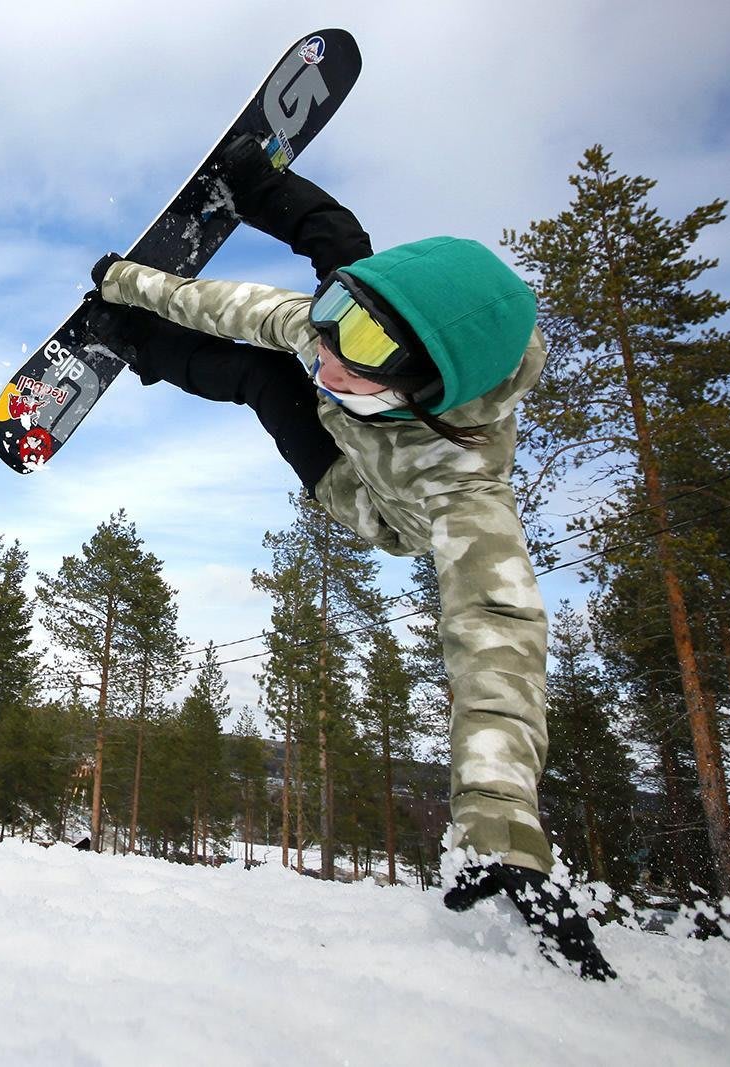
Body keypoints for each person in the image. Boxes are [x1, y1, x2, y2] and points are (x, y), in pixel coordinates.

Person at [84, 136, 614, 980]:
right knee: (339, 254)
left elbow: (499, 644)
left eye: (355, 362)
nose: (326, 357)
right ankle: (260, 185)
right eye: (329, 335)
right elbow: (235, 304)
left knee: (263, 380)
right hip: (369, 372)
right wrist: (128, 281)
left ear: (423, 395)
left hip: (360, 489)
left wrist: (502, 826)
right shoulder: (331, 322)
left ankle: (141, 349)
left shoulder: (464, 494)